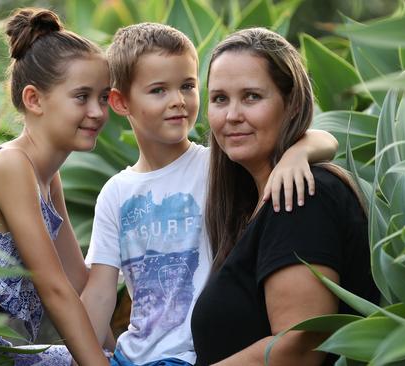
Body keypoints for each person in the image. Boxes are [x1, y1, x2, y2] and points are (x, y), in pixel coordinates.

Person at [80, 23, 338, 366]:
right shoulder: (115, 192)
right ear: (120, 101)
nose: (177, 101)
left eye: (187, 86)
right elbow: (99, 292)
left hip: (190, 355)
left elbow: (323, 139)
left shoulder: (217, 167)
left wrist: (297, 153)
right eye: (158, 90)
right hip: (133, 354)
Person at [190, 28, 380, 366]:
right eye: (220, 98)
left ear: (291, 104)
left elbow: (298, 348)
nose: (232, 115)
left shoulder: (302, 198)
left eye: (251, 96)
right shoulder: (254, 204)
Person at [0, 8, 110, 366]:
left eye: (104, 97)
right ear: (34, 100)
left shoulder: (47, 175)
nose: (97, 111)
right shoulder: (11, 166)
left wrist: (124, 353)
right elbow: (55, 289)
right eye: (82, 97)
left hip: (7, 352)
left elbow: (79, 281)